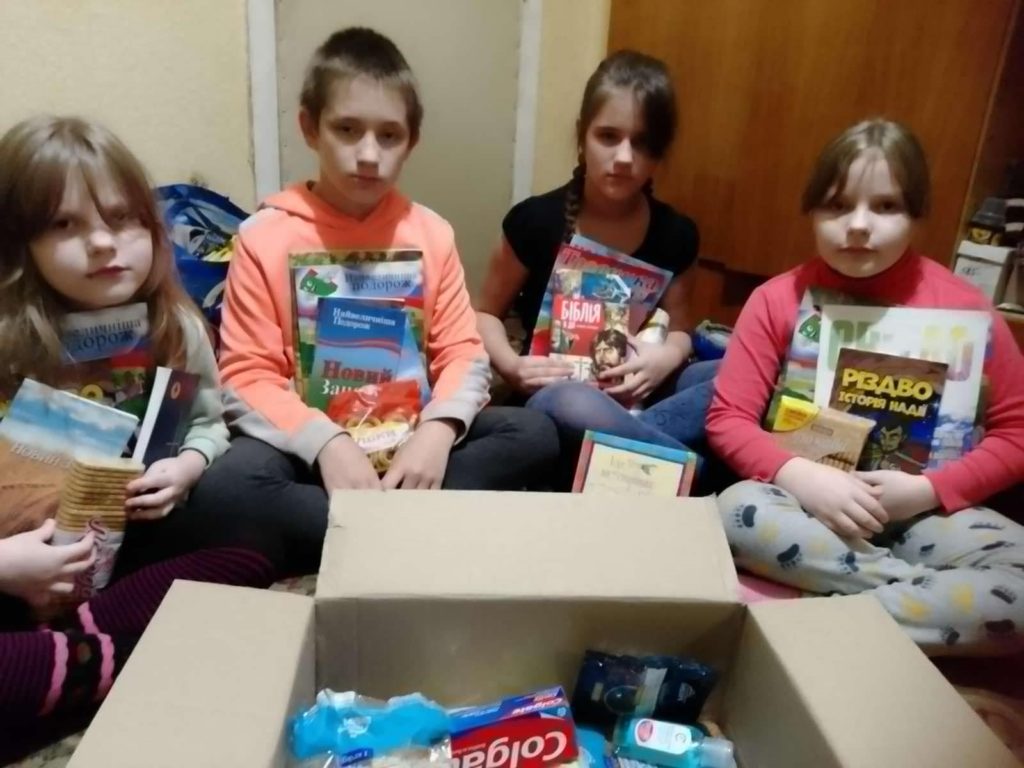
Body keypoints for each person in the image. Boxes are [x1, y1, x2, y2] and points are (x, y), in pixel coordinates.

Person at [186, 27, 560, 575]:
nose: (368, 155)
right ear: (309, 128)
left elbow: (462, 351)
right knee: (227, 486)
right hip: (311, 451)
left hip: (410, 441)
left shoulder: (431, 233)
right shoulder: (264, 236)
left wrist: (437, 432)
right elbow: (245, 374)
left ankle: (357, 531)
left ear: (412, 142)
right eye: (347, 130)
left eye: (389, 136)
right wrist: (327, 444)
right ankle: (409, 530)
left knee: (534, 433)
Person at [0, 116, 278, 762]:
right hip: (16, 568)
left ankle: (65, 661)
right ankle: (80, 663)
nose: (103, 243)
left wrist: (186, 464)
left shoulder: (174, 324)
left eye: (124, 219)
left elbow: (210, 421)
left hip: (130, 538)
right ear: (21, 244)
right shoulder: (10, 342)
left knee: (251, 550)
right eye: (64, 225)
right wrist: (10, 567)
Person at [708, 118, 1024, 654]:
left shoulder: (967, 308)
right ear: (811, 211)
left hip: (927, 516)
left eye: (885, 207)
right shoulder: (777, 299)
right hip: (808, 514)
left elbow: (1017, 432)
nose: (858, 226)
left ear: (918, 215)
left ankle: (814, 622)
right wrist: (803, 477)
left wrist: (927, 491)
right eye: (836, 205)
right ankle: (905, 609)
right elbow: (727, 418)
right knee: (732, 511)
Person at [474, 50, 718, 477]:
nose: (624, 157)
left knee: (732, 369)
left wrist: (666, 357)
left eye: (642, 143)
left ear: (659, 154)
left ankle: (636, 441)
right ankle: (690, 472)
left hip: (642, 392)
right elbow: (484, 314)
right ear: (582, 136)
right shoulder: (536, 220)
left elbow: (681, 330)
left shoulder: (677, 233)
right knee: (568, 400)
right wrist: (513, 368)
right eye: (608, 136)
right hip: (559, 393)